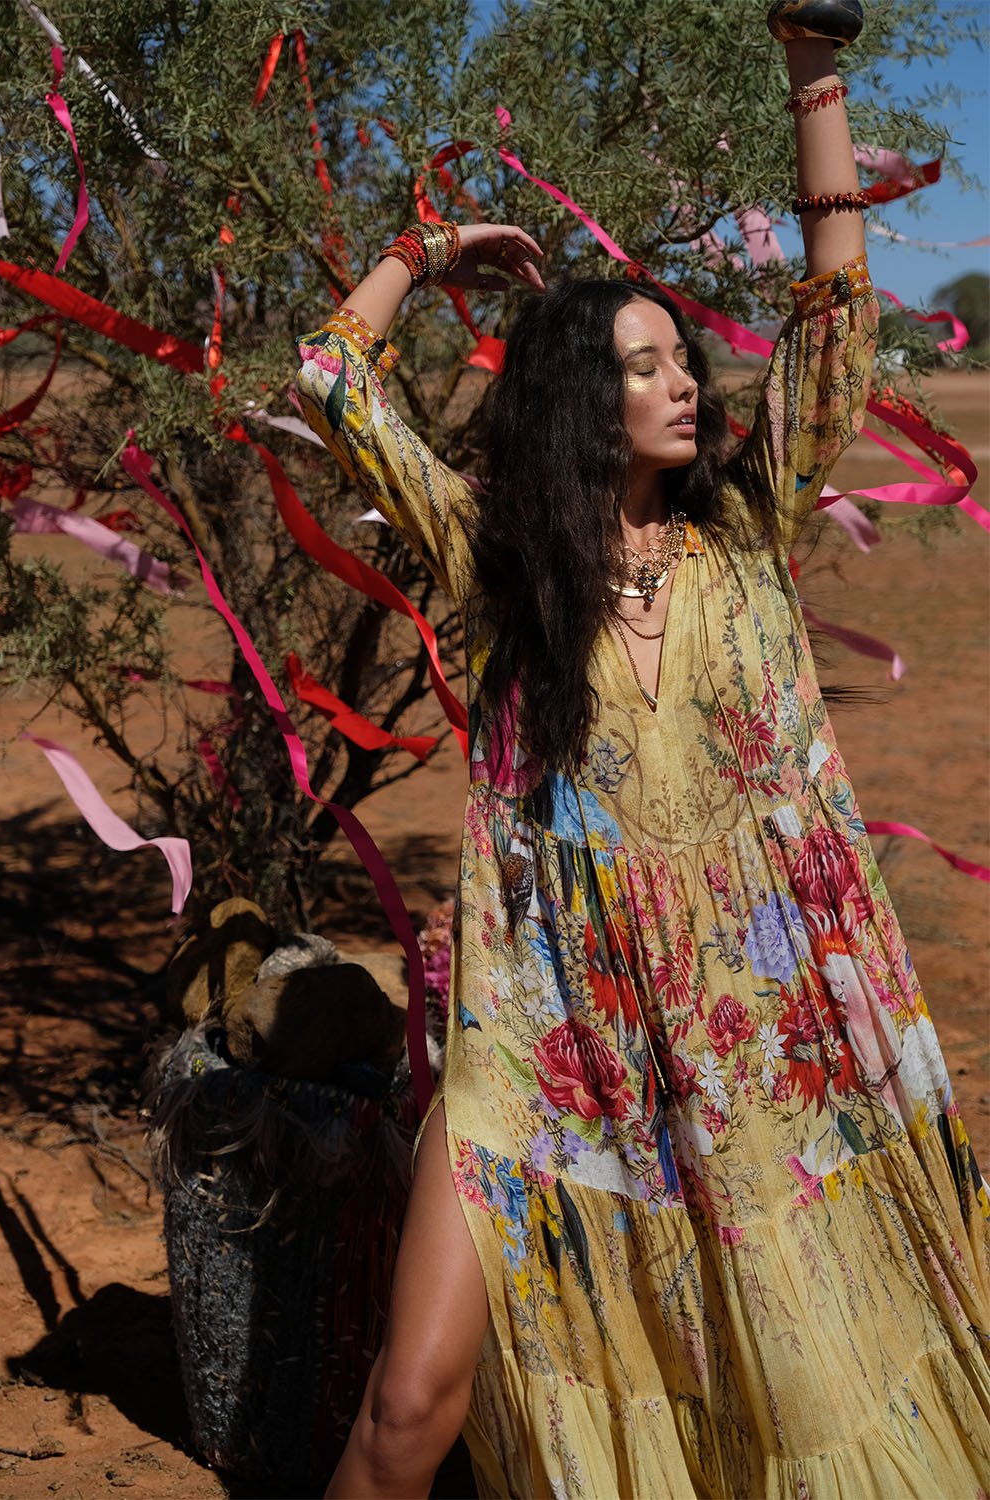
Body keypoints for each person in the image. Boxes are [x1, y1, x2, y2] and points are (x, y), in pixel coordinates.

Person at [295, 5, 990, 1496]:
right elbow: (332, 384)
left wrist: (816, 71)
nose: (684, 382)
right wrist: (423, 244)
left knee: (771, 1406)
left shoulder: (745, 538)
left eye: (684, 357)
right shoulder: (499, 572)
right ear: (571, 404)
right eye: (643, 364)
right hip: (537, 1055)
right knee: (408, 1409)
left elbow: (836, 319)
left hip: (740, 1057)